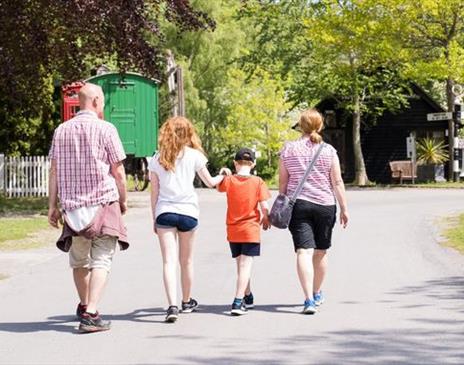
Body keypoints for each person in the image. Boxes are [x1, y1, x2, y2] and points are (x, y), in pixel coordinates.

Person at [48, 83, 128, 333]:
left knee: (79, 260)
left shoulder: (61, 131)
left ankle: (84, 305)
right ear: (94, 101)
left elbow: (54, 170)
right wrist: (123, 200)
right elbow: (118, 170)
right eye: (102, 101)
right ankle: (91, 312)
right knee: (102, 259)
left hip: (72, 209)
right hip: (102, 203)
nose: (103, 105)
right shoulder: (106, 129)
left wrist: (52, 206)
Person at [149, 116, 228, 323]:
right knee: (187, 261)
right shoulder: (194, 156)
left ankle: (172, 306)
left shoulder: (157, 158)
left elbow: (154, 192)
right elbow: (210, 183)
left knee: (168, 261)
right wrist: (223, 174)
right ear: (188, 133)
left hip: (164, 212)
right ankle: (186, 301)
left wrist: (154, 218)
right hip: (188, 213)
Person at [278, 108, 349, 314]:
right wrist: (344, 208)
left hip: (298, 204)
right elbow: (337, 182)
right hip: (325, 205)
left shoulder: (288, 149)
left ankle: (308, 299)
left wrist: (281, 203)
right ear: (320, 126)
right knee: (320, 251)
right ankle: (317, 293)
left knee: (303, 251)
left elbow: (283, 181)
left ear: (301, 126)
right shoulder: (328, 151)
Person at [217, 148, 271, 316]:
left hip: (233, 230)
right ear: (253, 164)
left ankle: (247, 296)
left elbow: (218, 186)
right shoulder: (258, 182)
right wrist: (266, 217)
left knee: (241, 266)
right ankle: (237, 301)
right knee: (245, 266)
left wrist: (223, 173)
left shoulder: (229, 181)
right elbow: (264, 205)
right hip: (250, 230)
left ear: (235, 163)